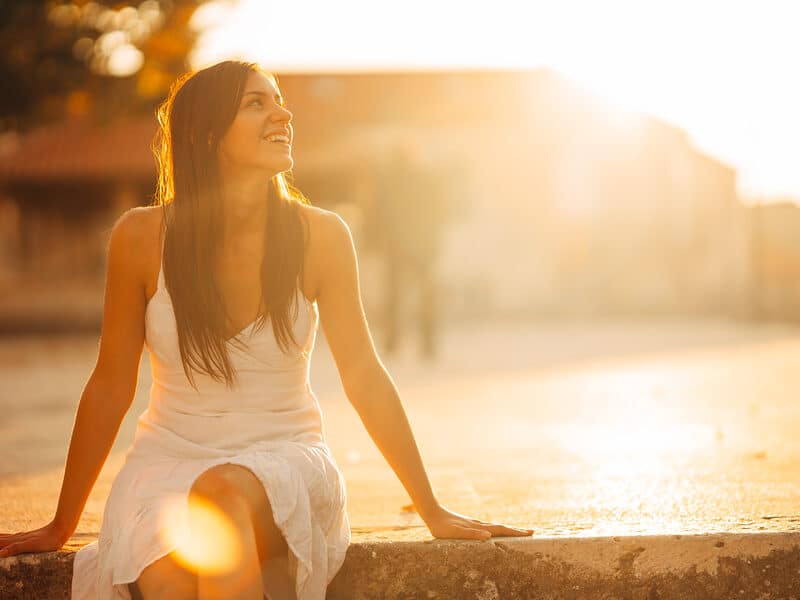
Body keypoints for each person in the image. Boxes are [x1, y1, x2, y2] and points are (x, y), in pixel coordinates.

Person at [0, 61, 533, 600]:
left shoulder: (320, 235)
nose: (283, 113)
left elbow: (364, 375)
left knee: (221, 494)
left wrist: (431, 507)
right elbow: (111, 384)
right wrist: (60, 524)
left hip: (285, 458)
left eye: (277, 99)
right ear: (207, 133)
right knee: (170, 576)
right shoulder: (139, 236)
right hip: (164, 465)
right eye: (257, 102)